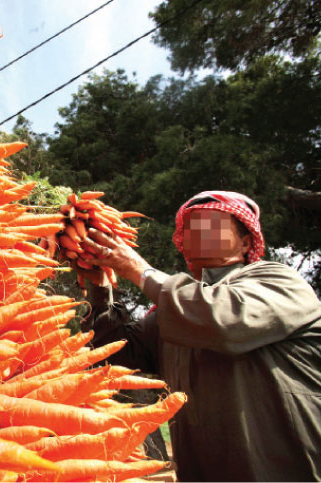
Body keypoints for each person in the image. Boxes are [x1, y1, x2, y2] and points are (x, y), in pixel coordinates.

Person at [60, 190, 321, 481]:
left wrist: (138, 269)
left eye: (211, 223)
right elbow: (117, 352)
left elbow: (223, 320)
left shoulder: (278, 281)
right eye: (190, 226)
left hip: (284, 469)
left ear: (246, 241)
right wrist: (99, 284)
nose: (196, 232)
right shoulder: (174, 309)